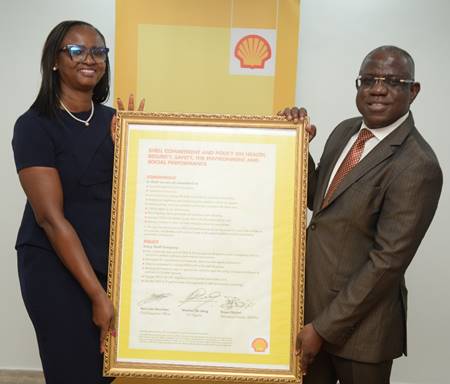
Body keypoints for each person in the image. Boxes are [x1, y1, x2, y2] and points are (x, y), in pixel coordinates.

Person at [282, 46, 443, 383]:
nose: (377, 88)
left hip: (364, 335)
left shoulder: (418, 165)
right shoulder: (344, 131)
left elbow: (386, 263)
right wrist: (296, 145)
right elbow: (320, 200)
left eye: (392, 81)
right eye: (368, 79)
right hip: (311, 315)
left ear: (413, 91)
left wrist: (323, 329)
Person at [12, 20, 143, 383]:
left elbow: (139, 199)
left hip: (108, 264)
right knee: (75, 372)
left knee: (106, 371)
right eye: (76, 50)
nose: (90, 58)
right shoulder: (34, 125)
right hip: (56, 267)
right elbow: (50, 219)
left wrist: (141, 144)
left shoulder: (118, 123)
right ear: (55, 60)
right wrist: (98, 296)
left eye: (98, 51)